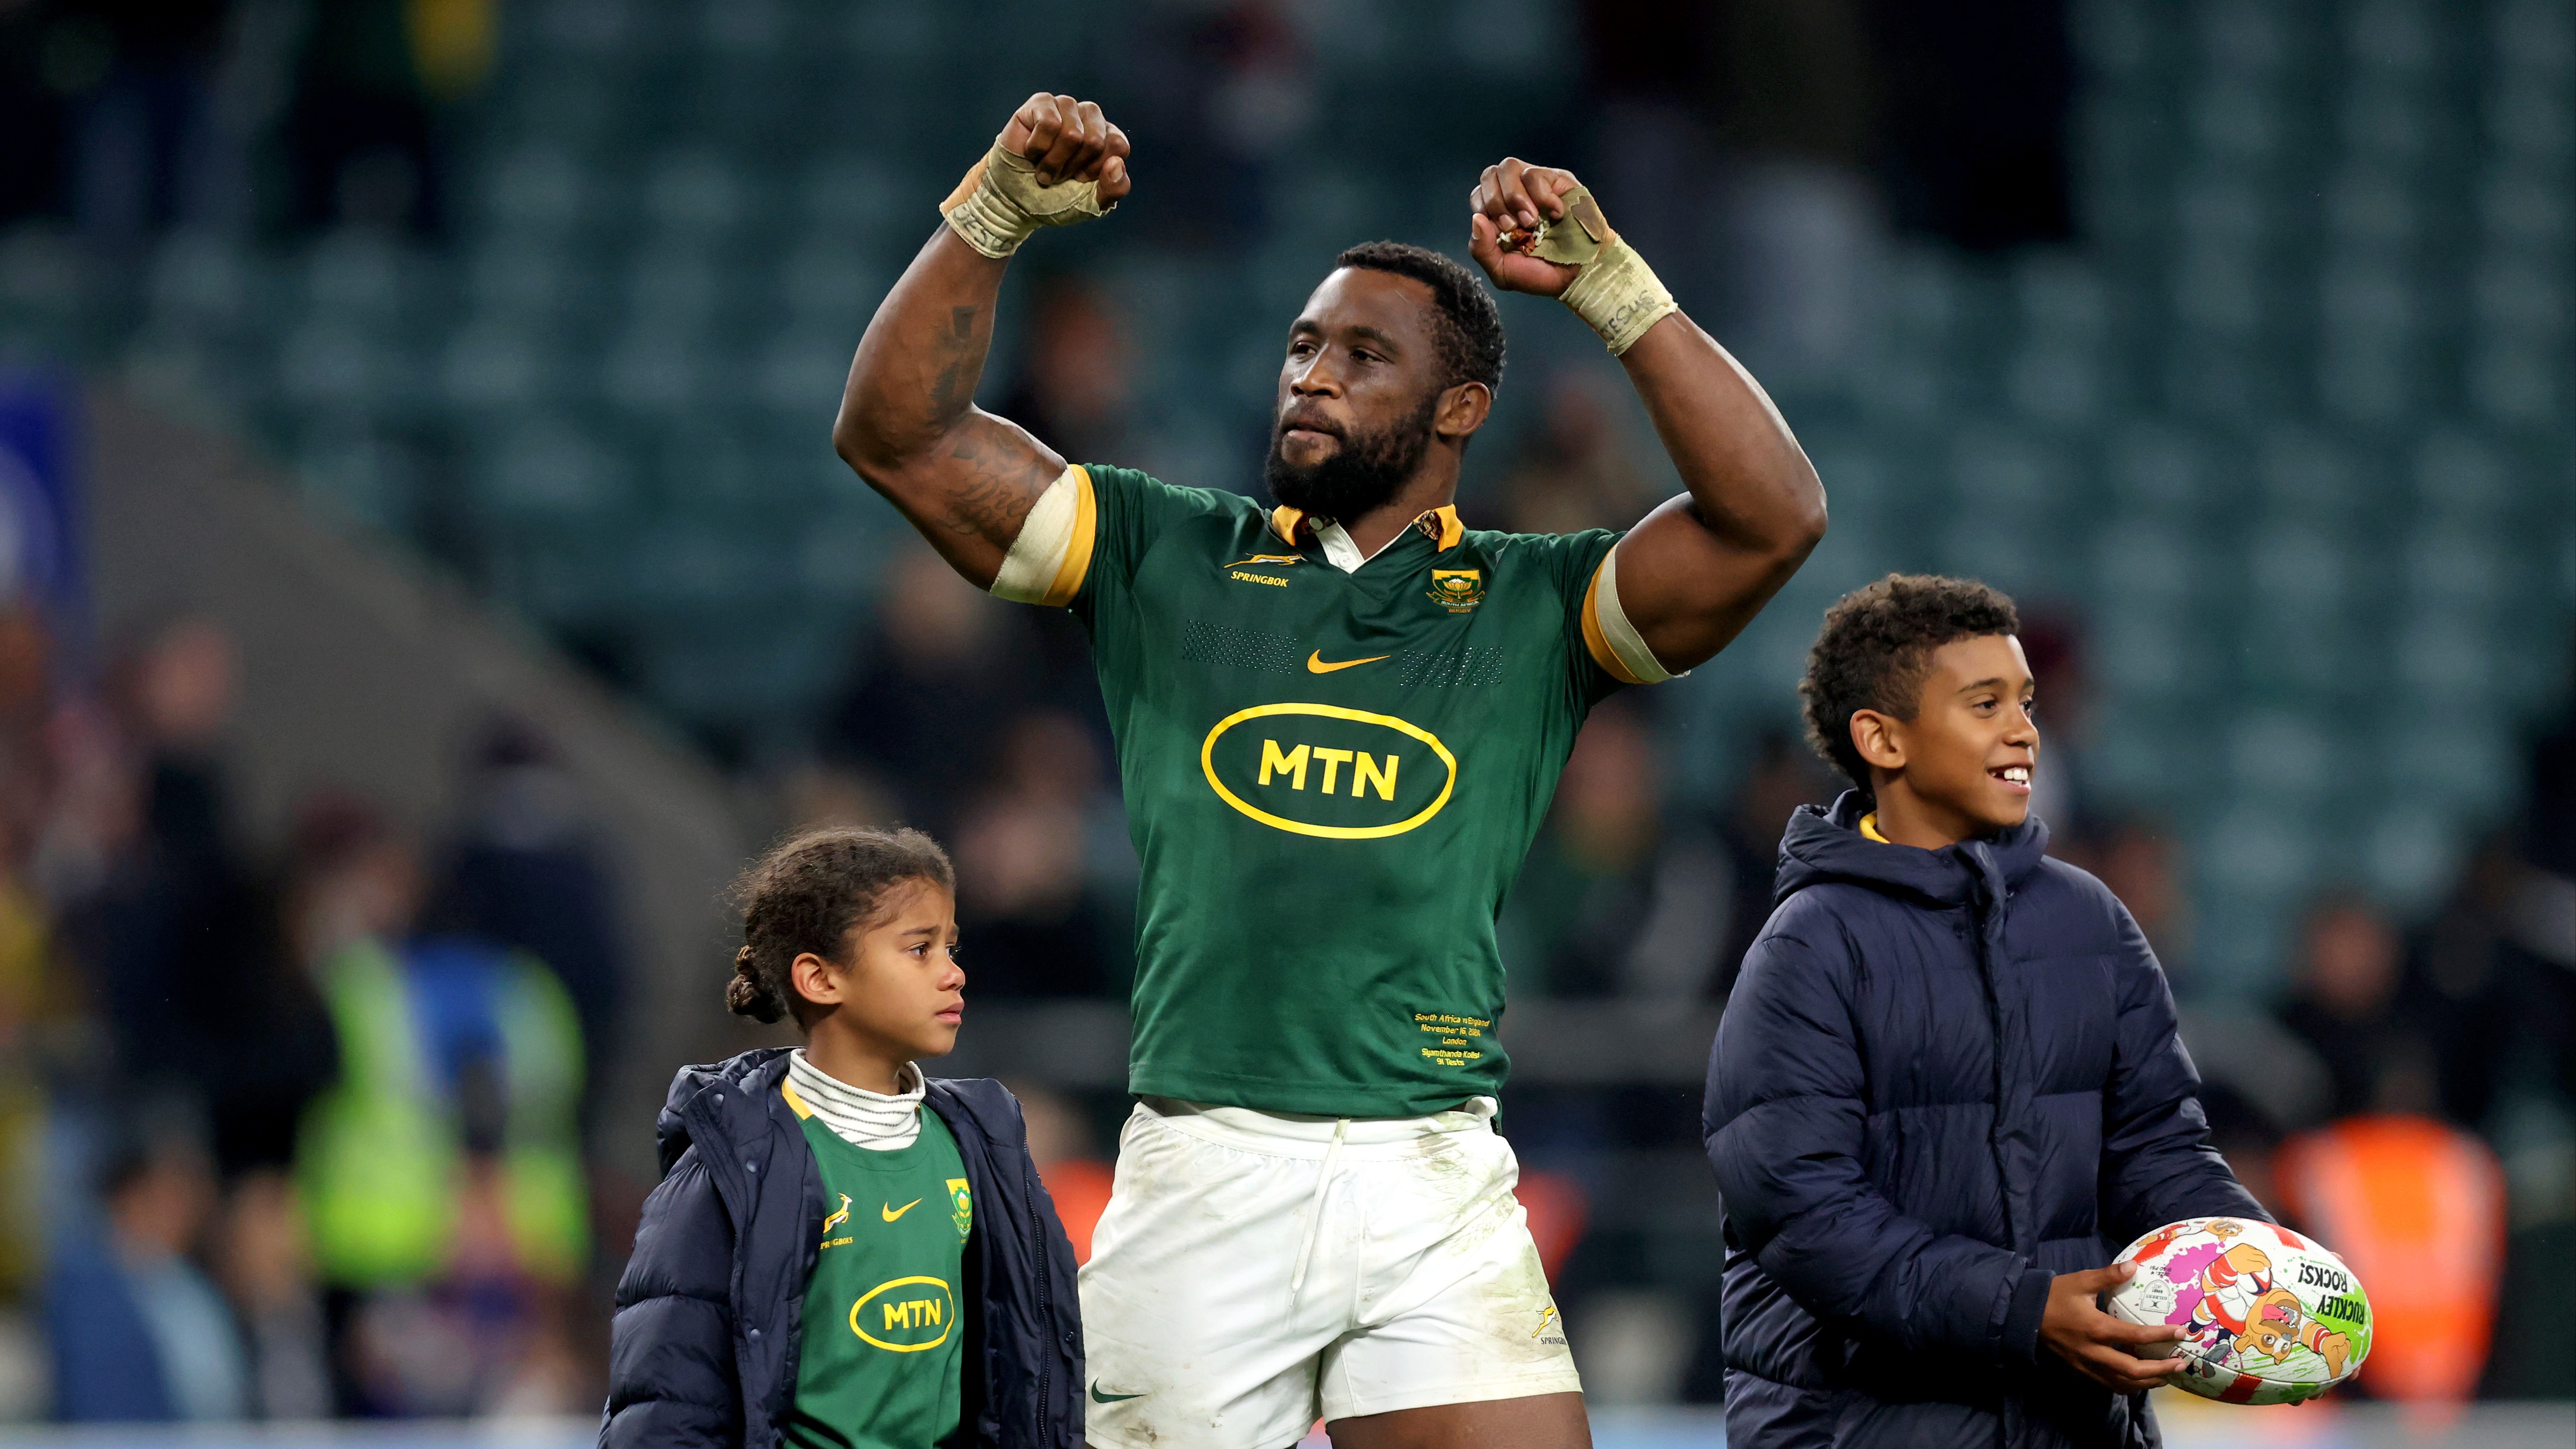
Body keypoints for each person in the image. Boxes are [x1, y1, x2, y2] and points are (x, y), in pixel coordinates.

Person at [832, 92, 1826, 1449]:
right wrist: (995, 210)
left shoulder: (1538, 604)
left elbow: (1775, 515)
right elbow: (898, 436)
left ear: (1462, 407)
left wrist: (1609, 283)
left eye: (1366, 354)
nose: (1312, 374)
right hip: (1205, 1169)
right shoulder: (1156, 551)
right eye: (1303, 345)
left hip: (1432, 1170)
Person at [1703, 574, 2266, 1448]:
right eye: (1985, 703)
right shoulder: (1807, 946)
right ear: (1882, 739)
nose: (2024, 732)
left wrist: (2253, 1272)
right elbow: (1805, 1215)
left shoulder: (2091, 921)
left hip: (2073, 1428)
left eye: (2027, 702)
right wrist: (2025, 1309)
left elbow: (2157, 1149)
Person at [601, 827, 1083, 1448]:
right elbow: (667, 1404)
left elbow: (1031, 1368)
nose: (953, 974)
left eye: (951, 948)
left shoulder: (983, 1149)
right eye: (919, 950)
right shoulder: (734, 1165)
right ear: (820, 979)